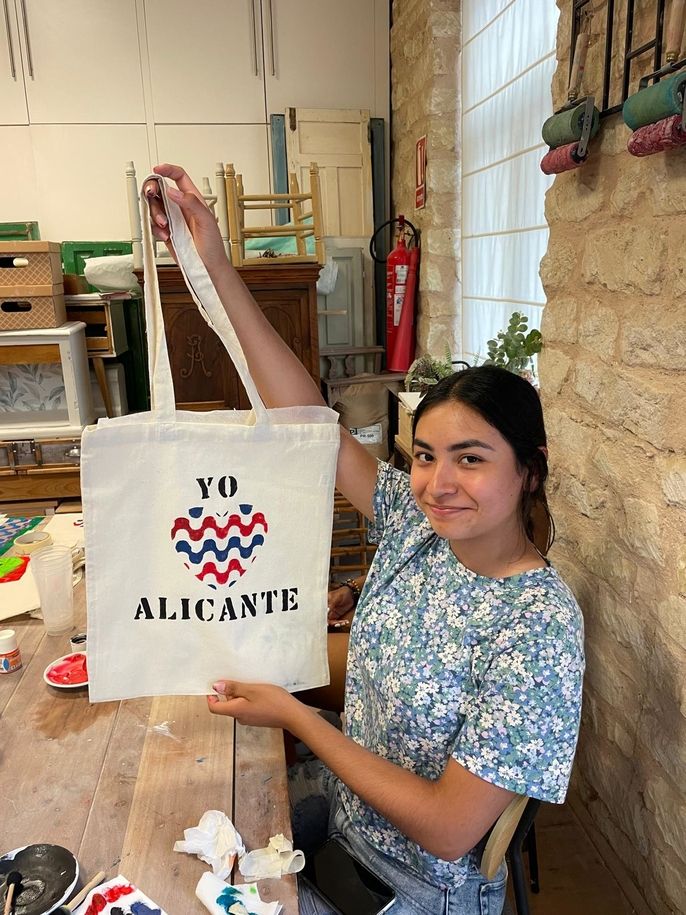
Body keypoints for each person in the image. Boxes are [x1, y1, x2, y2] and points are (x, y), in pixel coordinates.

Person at [146, 164, 585, 915]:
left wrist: (300, 718)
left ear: (529, 471)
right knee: (168, 845)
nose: (437, 482)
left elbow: (451, 829)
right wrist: (213, 263)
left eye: (470, 459)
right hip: (344, 831)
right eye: (424, 455)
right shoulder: (417, 528)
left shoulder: (538, 628)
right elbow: (307, 420)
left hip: (410, 893)